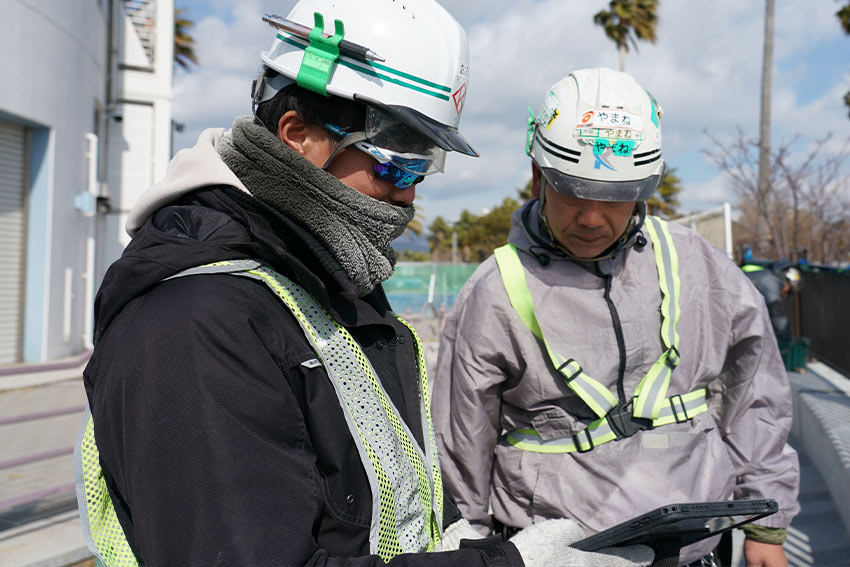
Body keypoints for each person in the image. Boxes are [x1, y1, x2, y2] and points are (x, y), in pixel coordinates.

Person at [74, 3, 654, 566]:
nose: (409, 194)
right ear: (297, 133)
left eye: (422, 167)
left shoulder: (322, 280)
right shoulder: (196, 323)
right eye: (394, 163)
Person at [433, 68, 800, 567]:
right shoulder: (494, 292)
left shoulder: (697, 265)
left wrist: (766, 525)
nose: (590, 218)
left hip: (696, 547)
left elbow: (755, 390)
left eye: (613, 198)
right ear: (538, 176)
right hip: (562, 553)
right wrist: (469, 548)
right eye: (573, 193)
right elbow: (460, 441)